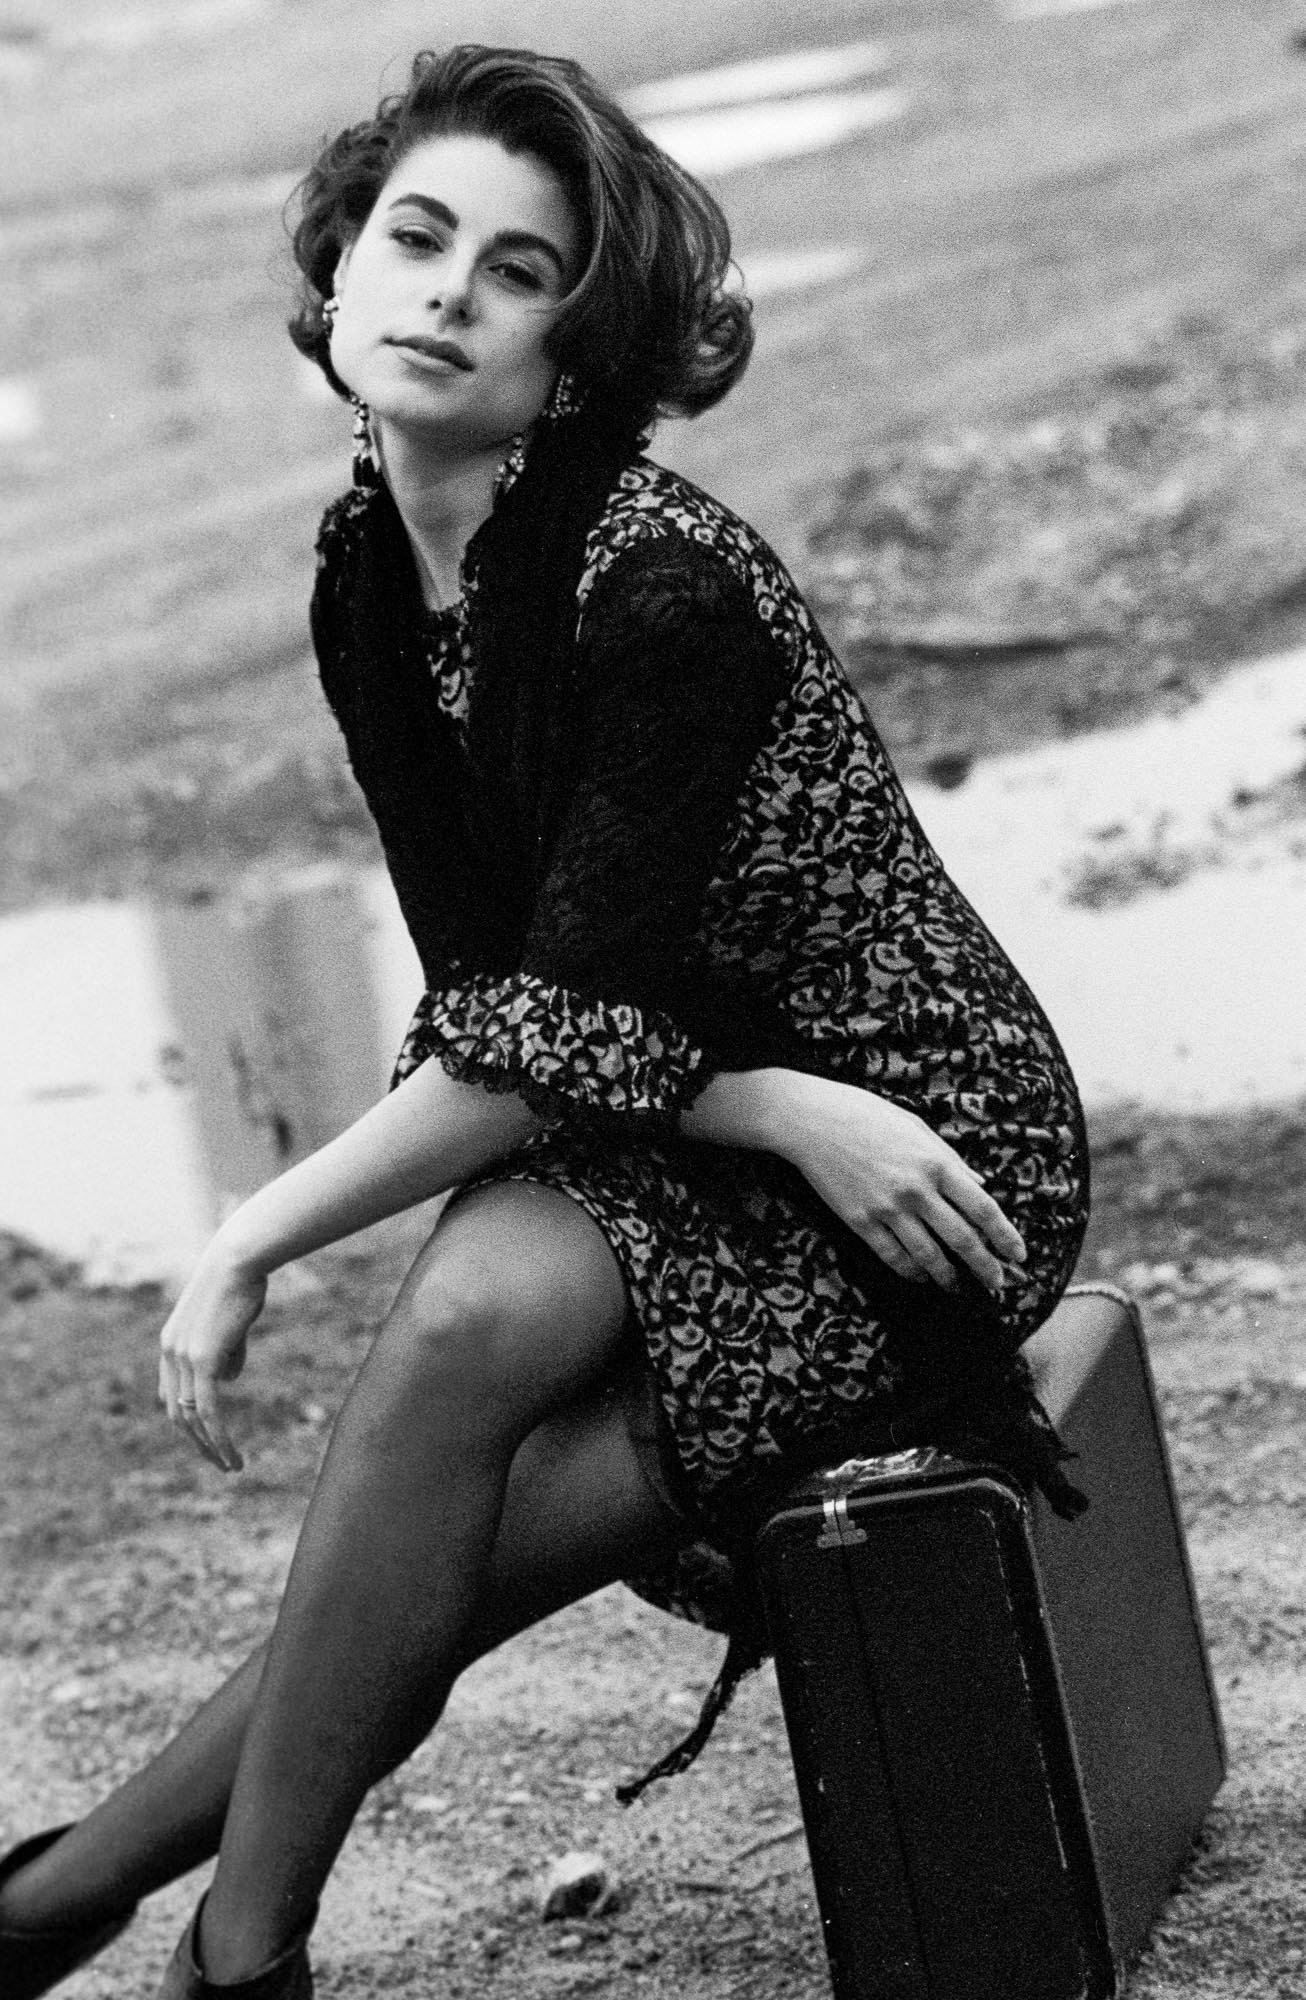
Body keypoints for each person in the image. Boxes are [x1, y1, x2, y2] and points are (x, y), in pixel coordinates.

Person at [0, 42, 1089, 2000]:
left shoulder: (657, 588)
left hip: (916, 1137)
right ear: (338, 269)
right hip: (704, 1102)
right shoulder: (367, 569)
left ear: (572, 354)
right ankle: (103, 1923)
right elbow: (497, 992)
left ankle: (184, 1941)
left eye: (515, 273)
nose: (446, 294)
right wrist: (755, 1105)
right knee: (457, 1362)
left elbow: (550, 1023)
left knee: (449, 1463)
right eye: (415, 239)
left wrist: (255, 1230)